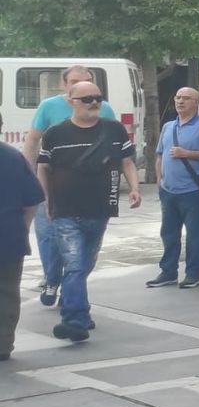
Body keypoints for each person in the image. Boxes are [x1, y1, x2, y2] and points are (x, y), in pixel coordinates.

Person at [36, 81, 140, 343]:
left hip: (101, 209)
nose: (94, 102)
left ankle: (78, 306)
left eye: (98, 98)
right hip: (65, 211)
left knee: (85, 264)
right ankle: (74, 320)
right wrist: (45, 200)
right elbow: (44, 169)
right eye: (87, 99)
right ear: (70, 101)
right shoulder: (55, 134)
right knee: (74, 264)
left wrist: (135, 188)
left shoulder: (114, 129)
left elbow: (127, 161)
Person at [22, 65, 115, 307]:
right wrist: (28, 173)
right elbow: (32, 140)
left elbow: (117, 147)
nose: (82, 87)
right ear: (64, 84)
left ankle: (70, 289)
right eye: (74, 81)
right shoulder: (49, 107)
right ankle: (52, 279)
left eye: (86, 81)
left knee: (88, 248)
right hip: (53, 186)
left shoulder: (104, 109)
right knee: (49, 237)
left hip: (92, 191)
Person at [148, 87, 199, 289]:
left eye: (186, 98)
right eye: (178, 97)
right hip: (168, 191)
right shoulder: (168, 127)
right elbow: (160, 155)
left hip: (192, 192)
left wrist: (186, 153)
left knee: (194, 235)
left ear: (196, 102)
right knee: (168, 233)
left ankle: (193, 274)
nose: (180, 101)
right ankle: (168, 272)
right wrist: (160, 181)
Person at [0, 112, 46, 360]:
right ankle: (3, 344)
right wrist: (23, 227)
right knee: (6, 292)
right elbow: (33, 199)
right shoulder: (13, 157)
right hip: (8, 237)